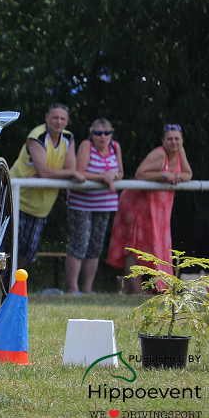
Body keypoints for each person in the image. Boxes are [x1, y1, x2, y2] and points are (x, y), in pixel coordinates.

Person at [106, 124, 193, 293]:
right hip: (137, 204)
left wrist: (175, 176)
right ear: (163, 140)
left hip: (158, 207)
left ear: (182, 141)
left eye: (176, 139)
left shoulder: (180, 152)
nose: (173, 142)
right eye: (169, 139)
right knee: (134, 246)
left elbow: (188, 174)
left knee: (158, 243)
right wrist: (164, 175)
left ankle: (158, 288)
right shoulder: (159, 154)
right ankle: (137, 292)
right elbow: (140, 173)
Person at [10, 104, 85, 266]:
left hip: (41, 207)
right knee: (7, 248)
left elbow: (67, 168)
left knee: (28, 251)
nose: (58, 121)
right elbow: (47, 172)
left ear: (67, 121)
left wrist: (55, 172)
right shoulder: (36, 136)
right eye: (55, 117)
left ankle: (13, 284)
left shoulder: (68, 138)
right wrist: (68, 173)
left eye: (62, 118)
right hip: (16, 200)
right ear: (47, 118)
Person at [65, 119, 124, 294]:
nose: (103, 136)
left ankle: (88, 289)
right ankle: (73, 289)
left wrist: (112, 176)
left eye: (106, 133)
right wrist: (103, 177)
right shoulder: (86, 145)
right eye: (98, 133)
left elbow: (120, 173)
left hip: (104, 204)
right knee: (79, 243)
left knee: (96, 246)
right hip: (81, 203)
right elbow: (81, 172)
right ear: (92, 134)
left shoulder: (115, 147)